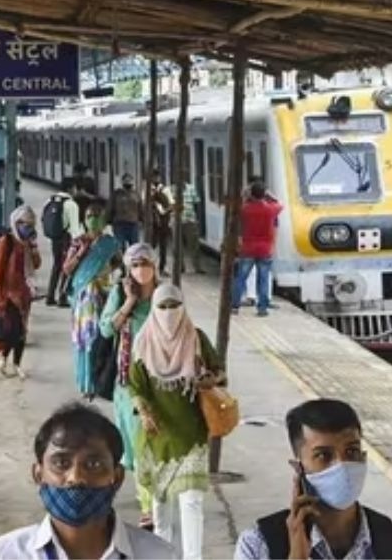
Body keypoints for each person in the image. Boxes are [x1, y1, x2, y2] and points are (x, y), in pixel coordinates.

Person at [0, 402, 175, 560]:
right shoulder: (2, 555)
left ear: (117, 477)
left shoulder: (159, 555)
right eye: (62, 463)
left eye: (94, 464)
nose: (76, 478)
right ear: (38, 475)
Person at [234, 399, 392, 560]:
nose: (342, 465)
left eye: (352, 451)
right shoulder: (259, 546)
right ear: (299, 468)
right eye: (323, 455)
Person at [129, 284, 223, 560]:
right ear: (154, 310)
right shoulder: (143, 341)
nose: (169, 313)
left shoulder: (196, 339)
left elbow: (219, 370)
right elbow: (135, 387)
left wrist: (211, 379)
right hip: (157, 436)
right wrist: (144, 412)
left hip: (191, 435)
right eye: (163, 307)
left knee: (191, 502)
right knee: (161, 508)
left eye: (174, 305)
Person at [99, 243, 159, 526]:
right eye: (135, 265)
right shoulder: (120, 293)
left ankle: (150, 505)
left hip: (160, 382)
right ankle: (147, 500)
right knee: (135, 446)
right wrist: (129, 303)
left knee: (152, 444)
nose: (141, 270)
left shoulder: (164, 295)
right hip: (127, 384)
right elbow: (105, 328)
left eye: (145, 263)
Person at [63, 200, 124, 397]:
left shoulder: (110, 243)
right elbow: (67, 269)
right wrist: (81, 254)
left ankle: (99, 379)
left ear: (104, 219)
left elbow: (119, 264)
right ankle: (86, 383)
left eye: (98, 216)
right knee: (85, 339)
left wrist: (106, 273)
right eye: (89, 215)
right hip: (84, 299)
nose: (93, 220)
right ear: (84, 219)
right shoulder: (78, 242)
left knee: (101, 336)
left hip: (104, 296)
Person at [0, 205, 42, 379]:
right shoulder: (7, 241)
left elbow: (36, 264)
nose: (29, 229)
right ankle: (5, 360)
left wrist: (33, 247)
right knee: (14, 329)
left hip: (25, 293)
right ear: (16, 223)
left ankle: (14, 363)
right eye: (26, 224)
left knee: (22, 330)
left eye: (31, 225)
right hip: (8, 293)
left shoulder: (27, 244)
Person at [232, 180, 283, 317]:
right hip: (265, 249)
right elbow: (280, 204)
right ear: (263, 194)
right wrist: (269, 195)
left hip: (248, 248)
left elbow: (238, 209)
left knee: (241, 277)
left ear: (251, 194)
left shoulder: (245, 209)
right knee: (264, 279)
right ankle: (262, 309)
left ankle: (234, 306)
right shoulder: (271, 209)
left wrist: (245, 195)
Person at [43, 178, 84, 308]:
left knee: (56, 265)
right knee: (67, 267)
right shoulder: (71, 204)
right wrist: (79, 242)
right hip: (66, 239)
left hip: (55, 238)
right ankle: (62, 296)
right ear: (71, 189)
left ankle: (50, 295)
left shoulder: (49, 200)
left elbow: (43, 219)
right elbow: (74, 228)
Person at [146, 170, 174, 276]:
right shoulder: (148, 189)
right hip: (151, 222)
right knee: (151, 246)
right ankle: (150, 266)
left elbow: (171, 204)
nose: (155, 179)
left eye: (156, 177)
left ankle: (162, 267)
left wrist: (164, 212)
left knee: (163, 246)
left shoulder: (165, 189)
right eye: (153, 177)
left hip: (163, 222)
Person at [107, 173, 142, 247]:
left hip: (133, 224)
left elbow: (140, 208)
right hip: (119, 223)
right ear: (122, 182)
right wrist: (109, 220)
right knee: (119, 247)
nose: (128, 182)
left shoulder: (136, 194)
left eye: (129, 180)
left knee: (134, 248)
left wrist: (141, 220)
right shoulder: (116, 194)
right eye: (126, 180)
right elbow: (110, 207)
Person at [178, 181, 204, 274]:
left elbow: (197, 204)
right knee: (178, 246)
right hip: (177, 221)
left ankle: (197, 266)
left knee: (194, 245)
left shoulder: (191, 188)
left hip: (190, 220)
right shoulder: (172, 189)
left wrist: (196, 218)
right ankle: (180, 267)